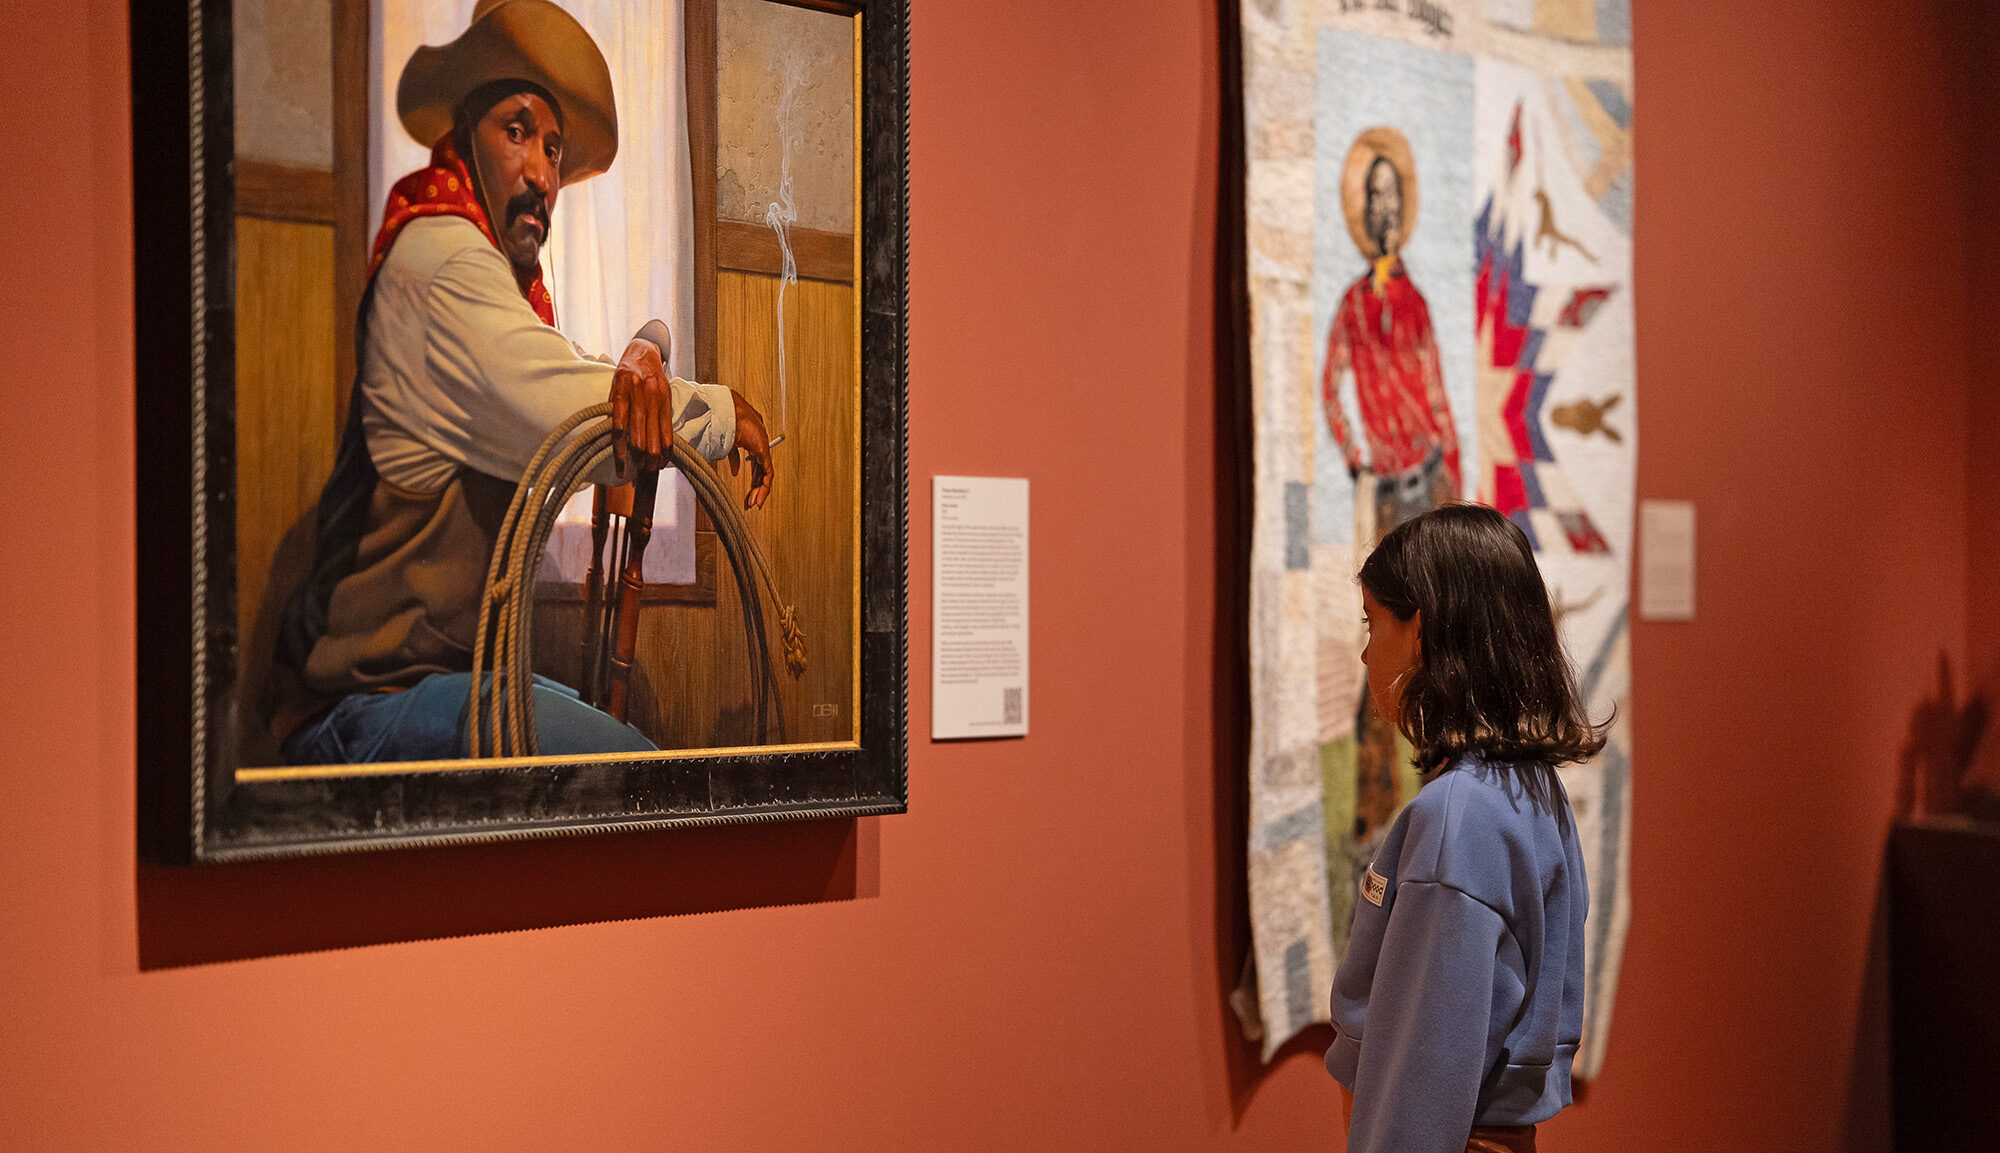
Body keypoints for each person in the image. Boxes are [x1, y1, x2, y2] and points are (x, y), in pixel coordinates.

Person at [265, 0, 774, 765]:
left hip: (425, 686)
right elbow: (562, 412)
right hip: (360, 707)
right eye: (517, 132)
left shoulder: (493, 284)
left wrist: (638, 363)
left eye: (555, 147)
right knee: (636, 774)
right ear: (465, 135)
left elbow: (555, 372)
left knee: (619, 750)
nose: (541, 172)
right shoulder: (441, 263)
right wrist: (721, 411)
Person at [1326, 504, 1601, 1153]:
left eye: (1373, 622)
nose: (1366, 651)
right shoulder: (1534, 788)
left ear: (1419, 631)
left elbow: (1420, 1083)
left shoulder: (1455, 816)